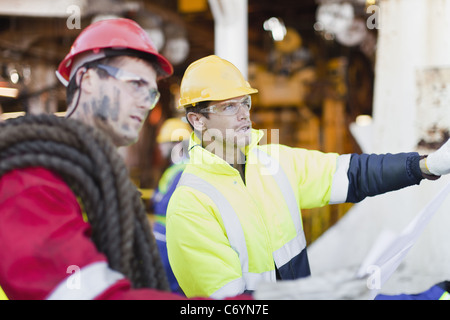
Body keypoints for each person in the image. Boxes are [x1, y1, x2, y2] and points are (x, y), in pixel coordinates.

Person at [166, 54, 450, 299]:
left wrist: (425, 165)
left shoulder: (275, 162)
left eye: (245, 103)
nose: (244, 115)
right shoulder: (191, 205)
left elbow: (353, 173)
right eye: (229, 106)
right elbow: (230, 303)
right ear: (198, 120)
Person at [0, 18, 209, 300]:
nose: (145, 103)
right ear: (87, 80)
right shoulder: (29, 179)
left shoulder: (104, 179)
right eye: (135, 84)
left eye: (150, 93)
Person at [151, 117, 191, 294]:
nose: (160, 148)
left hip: (170, 239)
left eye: (164, 144)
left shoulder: (182, 170)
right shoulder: (176, 169)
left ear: (177, 144)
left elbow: (162, 205)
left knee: (171, 289)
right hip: (166, 237)